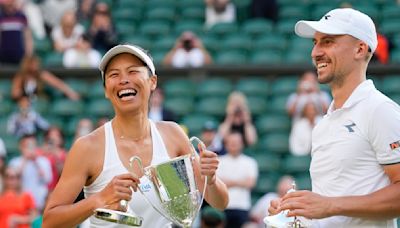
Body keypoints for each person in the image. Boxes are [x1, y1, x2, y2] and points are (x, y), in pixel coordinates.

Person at [42, 44, 229, 227]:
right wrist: (99, 199)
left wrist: (210, 179)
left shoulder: (172, 134)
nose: (123, 80)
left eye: (132, 71)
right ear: (106, 90)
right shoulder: (88, 147)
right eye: (114, 74)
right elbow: (50, 222)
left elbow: (221, 202)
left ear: (152, 81)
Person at [268, 8, 400, 227]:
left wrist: (330, 205)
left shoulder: (380, 109)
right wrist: (297, 210)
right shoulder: (324, 124)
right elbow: (333, 207)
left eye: (328, 42)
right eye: (315, 42)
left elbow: (332, 205)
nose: (315, 52)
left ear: (360, 49)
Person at [217, 132, 258, 228]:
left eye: (236, 142)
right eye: (231, 142)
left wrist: (229, 182)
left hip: (242, 207)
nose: (234, 145)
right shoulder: (219, 161)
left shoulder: (250, 162)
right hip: (223, 206)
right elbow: (217, 183)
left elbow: (251, 183)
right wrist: (240, 182)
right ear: (226, 144)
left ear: (242, 144)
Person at [9, 134, 52, 211]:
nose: (30, 149)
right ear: (21, 147)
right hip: (21, 204)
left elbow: (48, 180)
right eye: (27, 146)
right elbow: (14, 179)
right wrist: (25, 159)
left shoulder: (44, 161)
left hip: (40, 204)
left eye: (32, 146)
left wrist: (36, 162)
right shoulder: (15, 162)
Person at [11, 55, 81, 101]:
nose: (35, 66)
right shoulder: (20, 77)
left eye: (36, 63)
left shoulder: (41, 74)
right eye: (33, 63)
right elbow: (14, 93)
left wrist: (70, 92)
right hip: (24, 103)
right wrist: (20, 93)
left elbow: (57, 83)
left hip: (39, 102)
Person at [0, 0, 33, 65]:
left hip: (19, 56)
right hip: (3, 56)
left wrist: (28, 54)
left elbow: (27, 37)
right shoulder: (1, 17)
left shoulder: (21, 16)